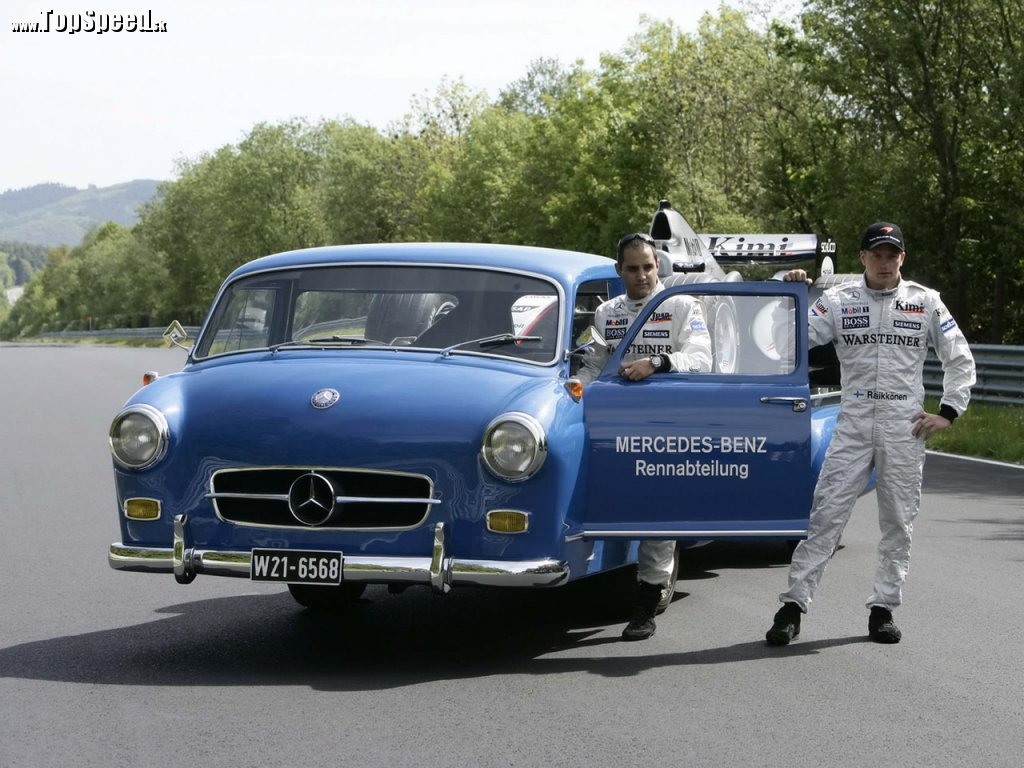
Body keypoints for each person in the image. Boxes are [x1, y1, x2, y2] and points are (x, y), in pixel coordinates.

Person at [765, 222, 975, 646]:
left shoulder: (925, 301)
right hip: (854, 421)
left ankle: (883, 609)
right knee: (825, 514)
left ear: (903, 257)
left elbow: (960, 359)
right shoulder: (838, 301)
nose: (884, 261)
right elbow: (786, 343)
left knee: (898, 521)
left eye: (891, 253)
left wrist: (948, 412)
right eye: (875, 254)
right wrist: (786, 296)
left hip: (904, 425)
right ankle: (792, 607)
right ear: (862, 258)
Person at [577, 231, 713, 640]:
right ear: (619, 270)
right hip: (614, 426)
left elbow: (703, 359)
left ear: (659, 267)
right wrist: (571, 391)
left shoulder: (680, 305)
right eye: (632, 268)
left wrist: (657, 361)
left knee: (657, 512)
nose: (641, 275)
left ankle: (646, 601)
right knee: (611, 505)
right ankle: (604, 576)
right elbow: (592, 365)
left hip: (667, 426)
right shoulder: (607, 314)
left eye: (648, 267)